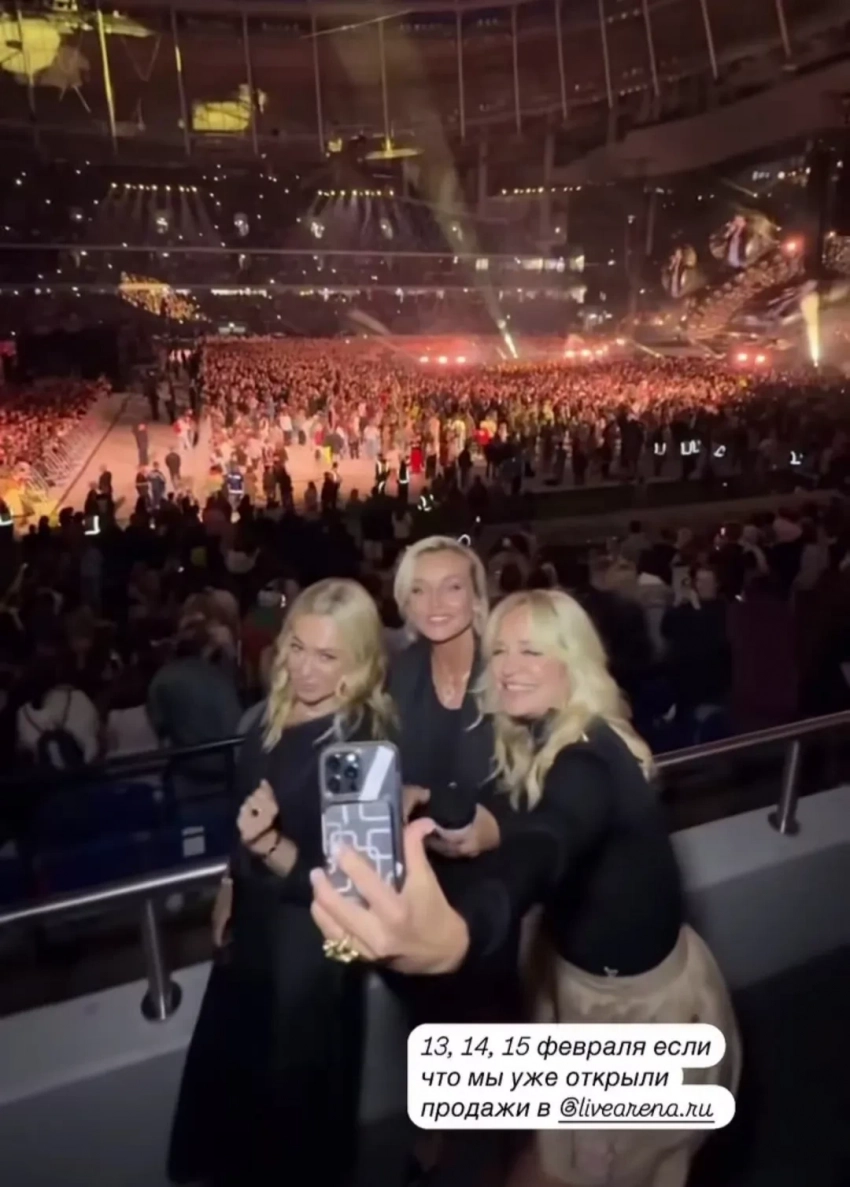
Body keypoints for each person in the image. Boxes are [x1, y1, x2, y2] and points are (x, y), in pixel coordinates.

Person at [312, 589, 742, 1187]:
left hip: (632, 1018)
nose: (508, 668)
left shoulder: (589, 758)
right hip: (572, 983)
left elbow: (550, 837)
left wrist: (464, 931)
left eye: (532, 651)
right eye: (500, 651)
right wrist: (461, 818)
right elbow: (524, 816)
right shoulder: (552, 731)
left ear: (573, 660)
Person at [168, 579, 396, 1187]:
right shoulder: (270, 713)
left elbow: (353, 885)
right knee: (241, 1085)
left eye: (327, 656)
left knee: (295, 1100)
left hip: (311, 943)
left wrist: (268, 845)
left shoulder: (358, 741)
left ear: (358, 661)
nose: (305, 668)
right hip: (254, 926)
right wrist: (228, 883)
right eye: (297, 647)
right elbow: (243, 805)